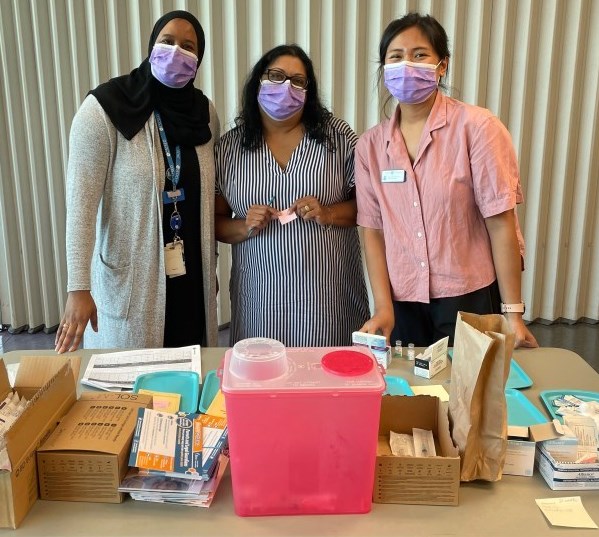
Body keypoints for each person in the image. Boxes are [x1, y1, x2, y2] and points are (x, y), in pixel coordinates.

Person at [355, 13, 538, 349]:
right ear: (384, 71)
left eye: (420, 54)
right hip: (403, 300)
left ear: (442, 66)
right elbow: (373, 231)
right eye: (395, 57)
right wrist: (383, 308)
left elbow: (501, 223)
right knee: (412, 393)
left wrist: (512, 313)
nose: (407, 64)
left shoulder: (477, 128)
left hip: (468, 294)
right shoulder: (369, 146)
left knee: (467, 394)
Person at [55, 10, 219, 353]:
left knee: (188, 379)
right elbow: (80, 206)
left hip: (190, 279)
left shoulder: (204, 113)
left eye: (188, 46)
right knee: (131, 390)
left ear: (198, 59)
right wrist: (78, 287)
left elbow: (206, 197)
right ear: (151, 46)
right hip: (133, 284)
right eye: (167, 41)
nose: (176, 52)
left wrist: (211, 263)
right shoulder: (104, 109)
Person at [215, 44, 369, 347]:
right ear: (259, 80)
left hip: (328, 302)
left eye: (298, 80)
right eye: (276, 75)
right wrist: (244, 225)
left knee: (328, 381)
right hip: (259, 303)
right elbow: (214, 223)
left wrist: (328, 213)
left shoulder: (337, 138)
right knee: (263, 381)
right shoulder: (229, 148)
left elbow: (369, 208)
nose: (286, 86)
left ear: (308, 91)